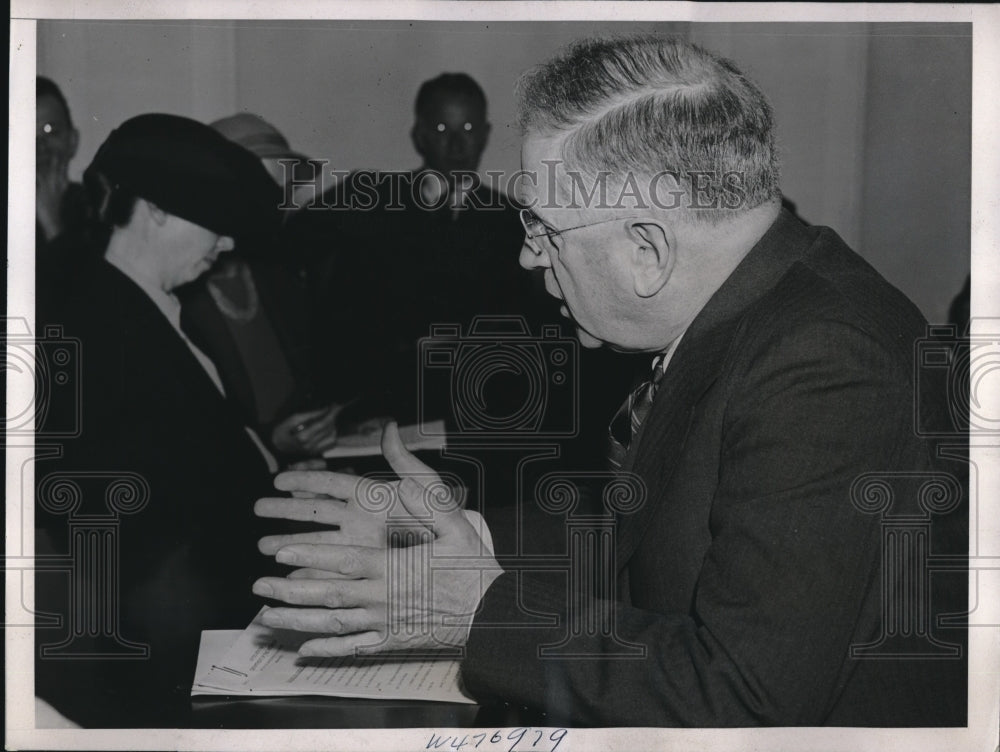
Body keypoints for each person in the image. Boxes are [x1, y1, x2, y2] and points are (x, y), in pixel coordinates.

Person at [250, 37, 967, 726]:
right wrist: (473, 531)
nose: (530, 259)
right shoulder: (755, 306)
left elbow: (741, 697)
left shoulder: (827, 364)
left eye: (544, 229)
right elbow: (654, 531)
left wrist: (475, 608)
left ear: (647, 248)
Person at [35, 113, 284, 727]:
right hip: (173, 651)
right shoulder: (89, 324)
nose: (225, 245)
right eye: (216, 225)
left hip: (220, 617)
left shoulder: (152, 303)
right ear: (156, 210)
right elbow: (133, 534)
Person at [177, 113, 343, 459]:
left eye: (280, 192)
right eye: (256, 190)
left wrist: (335, 424)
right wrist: (270, 444)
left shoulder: (282, 273)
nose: (270, 207)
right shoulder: (178, 285)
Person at [35, 77, 98, 289]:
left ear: (72, 141)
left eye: (50, 131)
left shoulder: (98, 208)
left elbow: (89, 299)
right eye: (24, 133)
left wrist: (52, 224)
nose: (40, 147)